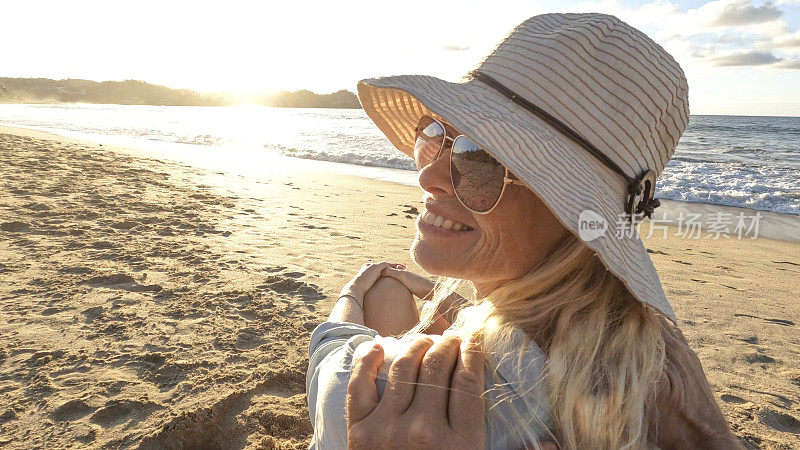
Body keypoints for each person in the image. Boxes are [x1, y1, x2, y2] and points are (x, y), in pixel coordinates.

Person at [306, 13, 742, 449]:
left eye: (479, 158)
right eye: (436, 135)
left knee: (382, 292)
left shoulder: (387, 400)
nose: (428, 177)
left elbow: (329, 357)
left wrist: (352, 294)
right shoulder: (647, 363)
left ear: (568, 211)